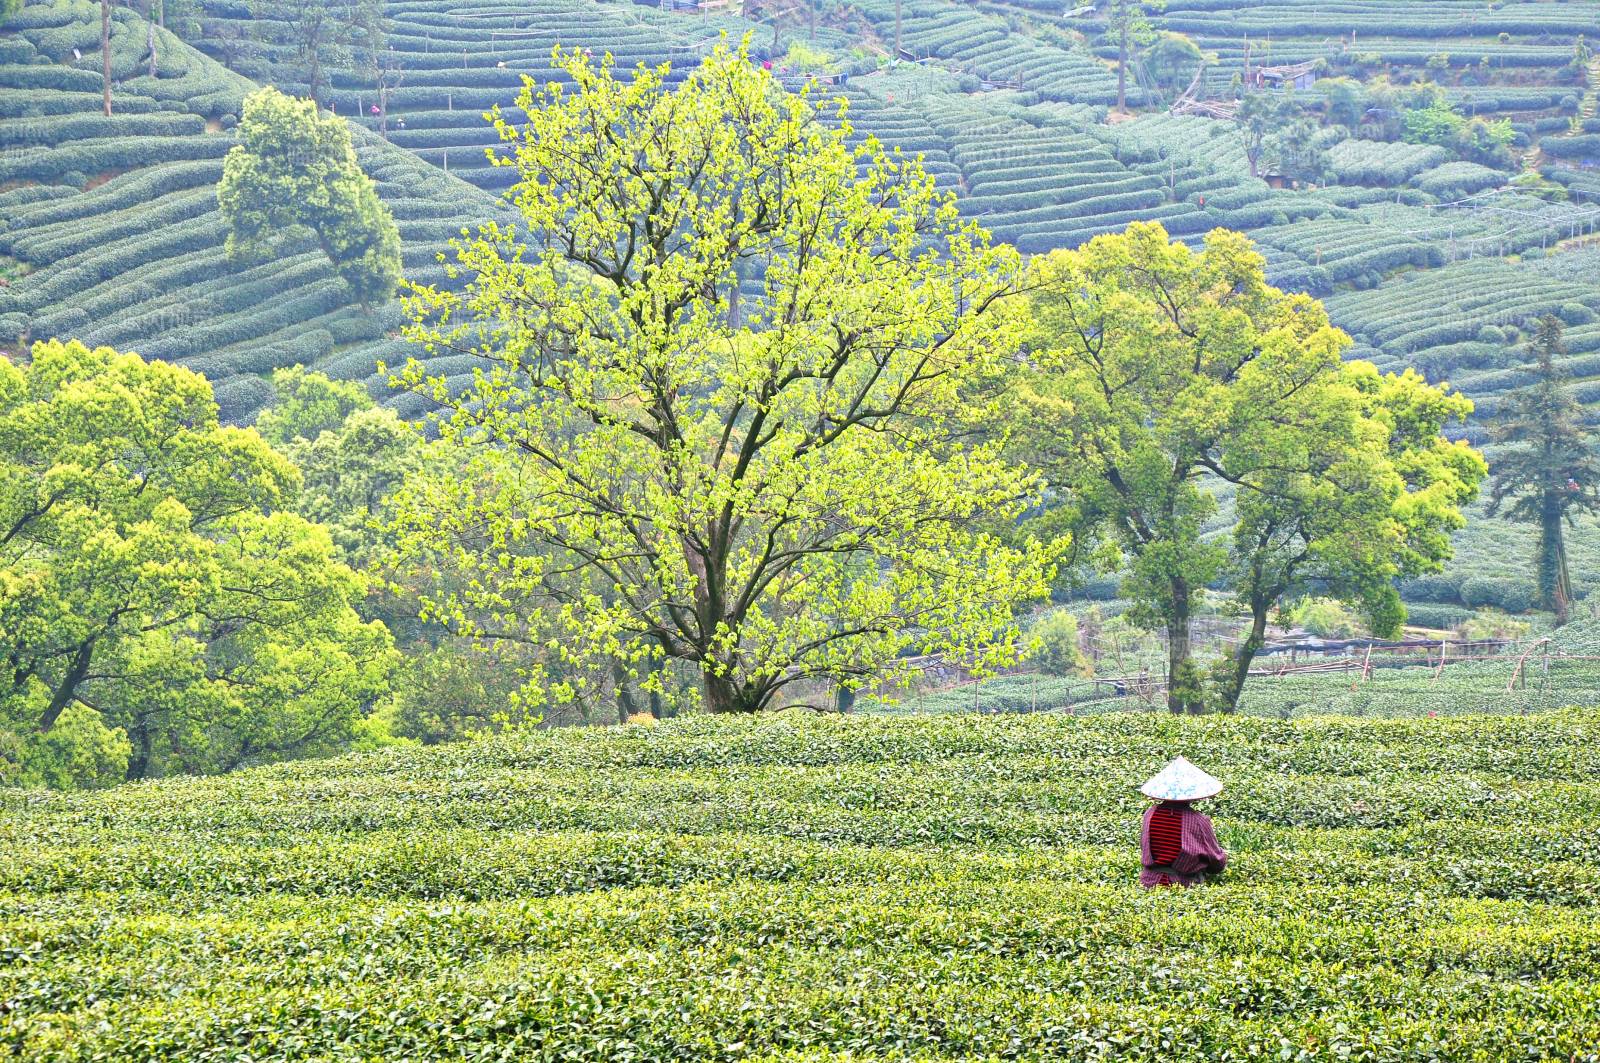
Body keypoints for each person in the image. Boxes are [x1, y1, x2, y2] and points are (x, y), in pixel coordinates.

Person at [1138, 756, 1227, 888]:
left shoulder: (1150, 814)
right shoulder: (1198, 820)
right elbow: (1216, 861)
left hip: (1149, 883)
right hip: (1183, 884)